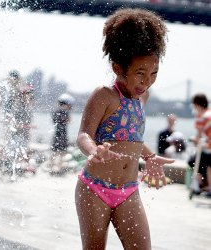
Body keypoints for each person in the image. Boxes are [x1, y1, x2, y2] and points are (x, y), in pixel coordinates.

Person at [75, 8, 175, 249]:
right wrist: (94, 151)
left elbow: (132, 138)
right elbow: (83, 135)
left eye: (153, 73)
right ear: (118, 68)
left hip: (128, 190)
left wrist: (149, 156)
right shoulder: (105, 96)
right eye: (140, 73)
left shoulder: (143, 98)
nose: (147, 81)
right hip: (94, 188)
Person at [190, 93, 211, 195]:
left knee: (192, 161)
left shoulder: (201, 117)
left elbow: (198, 138)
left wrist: (194, 140)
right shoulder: (209, 113)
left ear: (197, 104)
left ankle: (200, 185)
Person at [49, 93, 74, 175]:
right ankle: (59, 168)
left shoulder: (55, 111)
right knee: (62, 152)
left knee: (54, 152)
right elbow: (69, 121)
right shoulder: (66, 112)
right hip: (63, 134)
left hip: (56, 133)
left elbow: (53, 121)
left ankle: (52, 168)